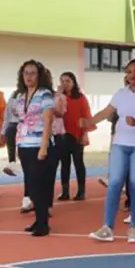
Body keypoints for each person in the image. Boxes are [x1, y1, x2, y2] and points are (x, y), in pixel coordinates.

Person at [84, 59, 135, 244]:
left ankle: (134, 228)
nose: (132, 75)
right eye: (128, 72)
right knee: (115, 183)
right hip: (121, 143)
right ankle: (107, 228)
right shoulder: (120, 93)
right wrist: (89, 122)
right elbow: (106, 112)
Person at [13, 60, 57, 236]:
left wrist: (44, 146)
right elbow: (20, 120)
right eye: (25, 73)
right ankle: (38, 220)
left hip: (39, 144)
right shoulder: (21, 96)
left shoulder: (45, 94)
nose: (28, 77)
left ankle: (43, 224)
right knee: (31, 185)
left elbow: (48, 120)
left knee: (39, 185)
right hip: (24, 143)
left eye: (32, 73)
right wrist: (18, 144)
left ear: (39, 76)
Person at [57, 71, 92, 200]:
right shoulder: (59, 97)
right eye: (62, 81)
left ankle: (81, 191)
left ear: (73, 82)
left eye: (68, 81)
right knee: (64, 163)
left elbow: (86, 115)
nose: (65, 84)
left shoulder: (81, 98)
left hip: (77, 134)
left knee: (78, 162)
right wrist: (58, 95)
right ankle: (65, 191)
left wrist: (85, 133)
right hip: (62, 134)